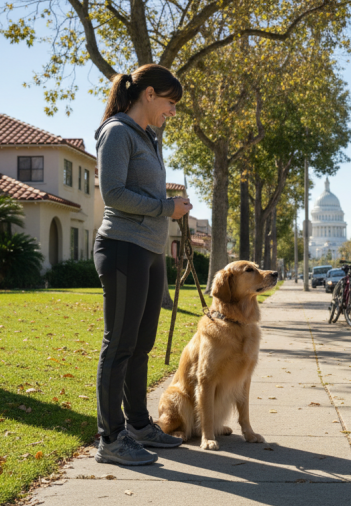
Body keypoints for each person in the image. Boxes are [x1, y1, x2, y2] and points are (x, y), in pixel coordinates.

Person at [93, 64, 192, 466]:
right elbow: (114, 193)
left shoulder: (148, 137)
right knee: (118, 346)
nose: (172, 111)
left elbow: (144, 193)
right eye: (170, 103)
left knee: (142, 345)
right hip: (122, 247)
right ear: (148, 94)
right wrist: (166, 208)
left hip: (149, 251)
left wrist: (172, 207)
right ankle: (110, 438)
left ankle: (137, 424)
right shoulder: (117, 132)